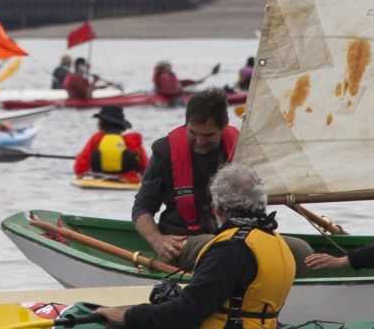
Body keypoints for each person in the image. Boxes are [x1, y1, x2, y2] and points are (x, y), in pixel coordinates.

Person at [98, 164, 295, 329]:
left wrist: (127, 316)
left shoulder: (231, 248)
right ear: (261, 203)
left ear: (217, 209)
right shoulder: (278, 243)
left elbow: (186, 313)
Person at [131, 89, 312, 269]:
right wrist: (157, 240)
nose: (200, 142)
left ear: (224, 125)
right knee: (216, 247)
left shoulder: (241, 147)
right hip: (189, 241)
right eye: (193, 133)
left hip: (241, 237)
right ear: (186, 124)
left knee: (302, 252)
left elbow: (259, 201)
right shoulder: (164, 152)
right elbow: (142, 207)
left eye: (209, 135)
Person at [74, 105, 148, 183]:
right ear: (122, 126)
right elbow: (147, 171)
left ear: (101, 124)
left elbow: (79, 170)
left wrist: (79, 156)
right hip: (128, 182)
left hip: (99, 181)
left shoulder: (96, 139)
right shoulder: (132, 141)